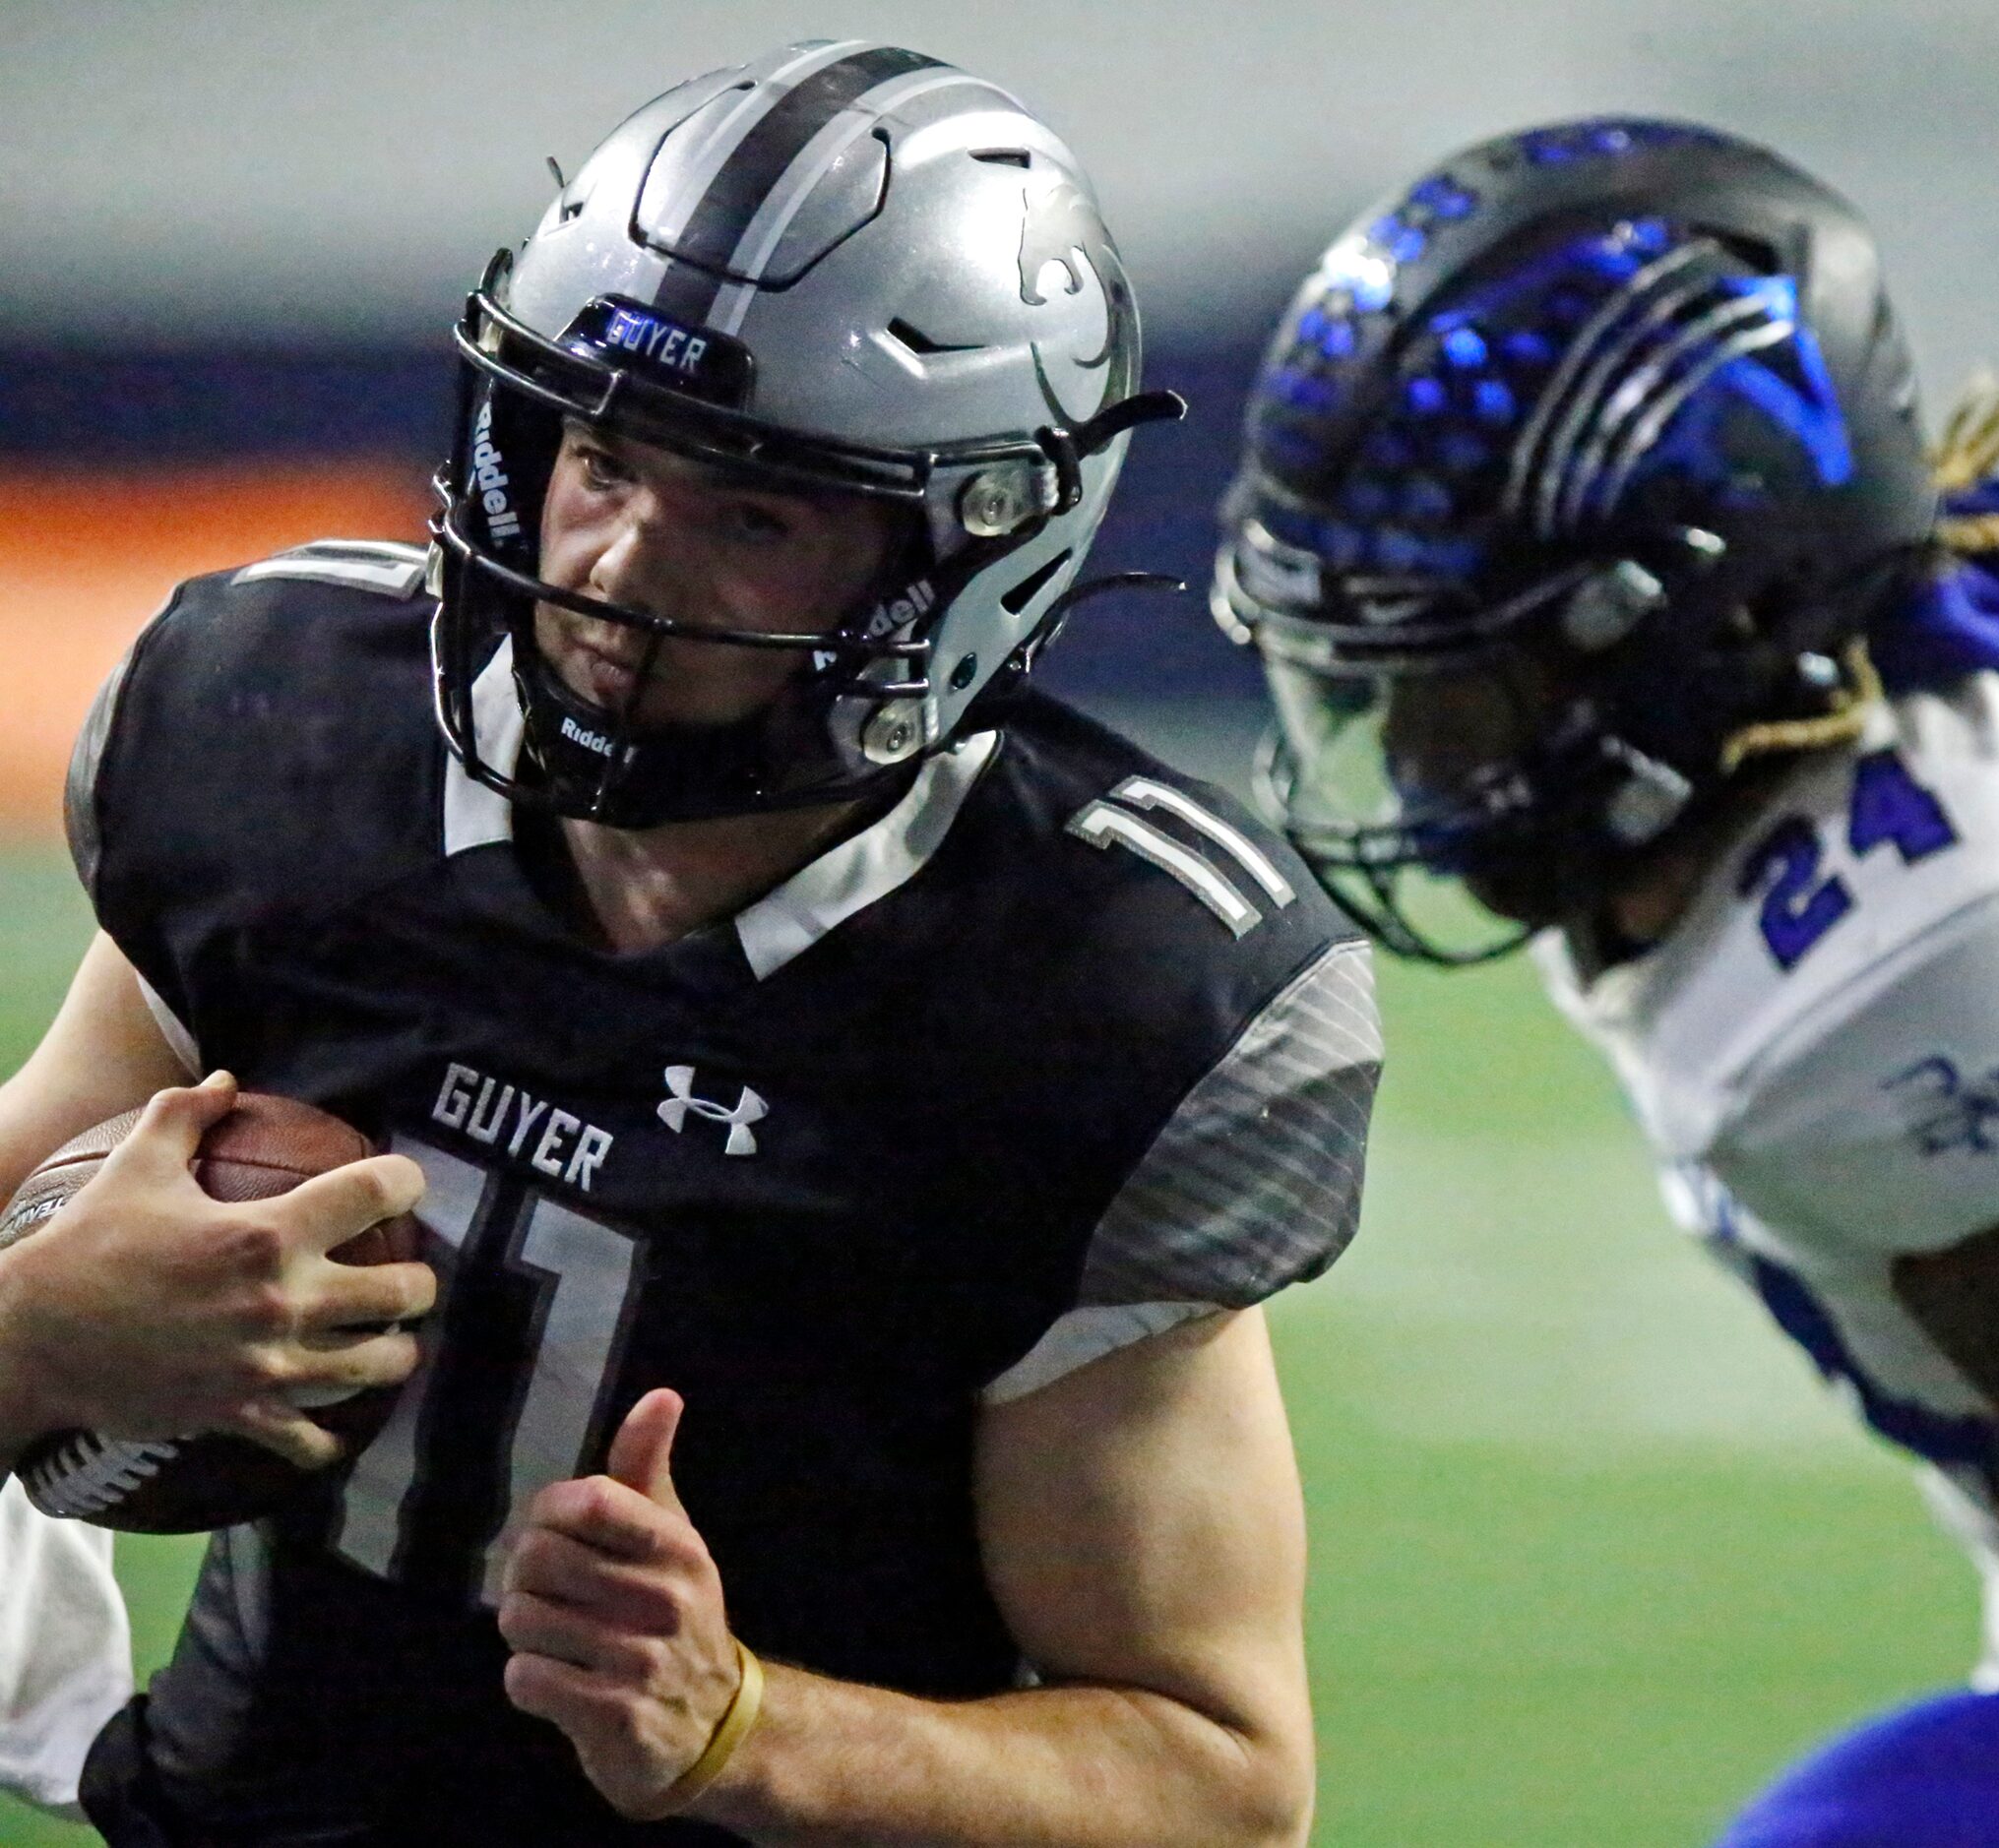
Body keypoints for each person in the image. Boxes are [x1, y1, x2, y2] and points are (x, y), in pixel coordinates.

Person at [8, 39, 1379, 1846]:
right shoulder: (277, 732)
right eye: (599, 457)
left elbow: (1221, 1781)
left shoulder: (1100, 982)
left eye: (756, 513)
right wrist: (30, 1331)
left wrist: (747, 1728)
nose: (626, 568)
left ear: (962, 558)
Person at [1214, 118, 1999, 1848]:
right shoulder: (1806, 750)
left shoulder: (1912, 952)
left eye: (1465, 668)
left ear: (1697, 607)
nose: (1409, 751)